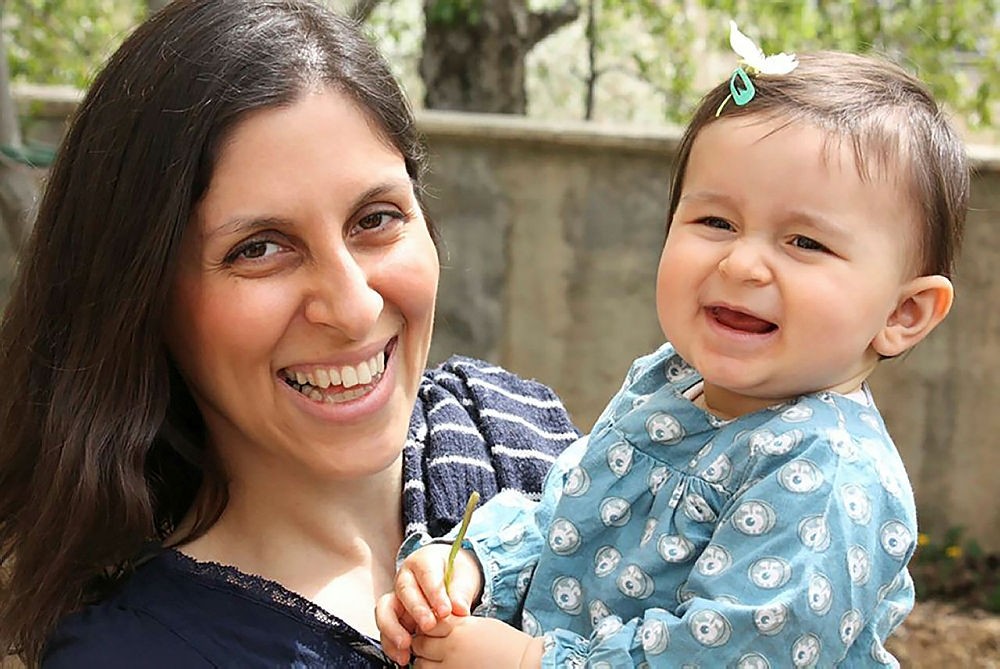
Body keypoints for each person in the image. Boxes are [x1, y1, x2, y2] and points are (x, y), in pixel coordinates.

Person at [0, 1, 582, 666]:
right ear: (144, 295)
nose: (354, 307)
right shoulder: (135, 652)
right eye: (259, 248)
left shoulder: (515, 434)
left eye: (376, 217)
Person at [376, 27, 969, 668]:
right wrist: (471, 566)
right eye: (716, 222)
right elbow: (566, 515)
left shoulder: (825, 474)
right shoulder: (667, 380)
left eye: (805, 243)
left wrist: (532, 663)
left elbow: (728, 654)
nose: (743, 264)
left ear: (903, 313)